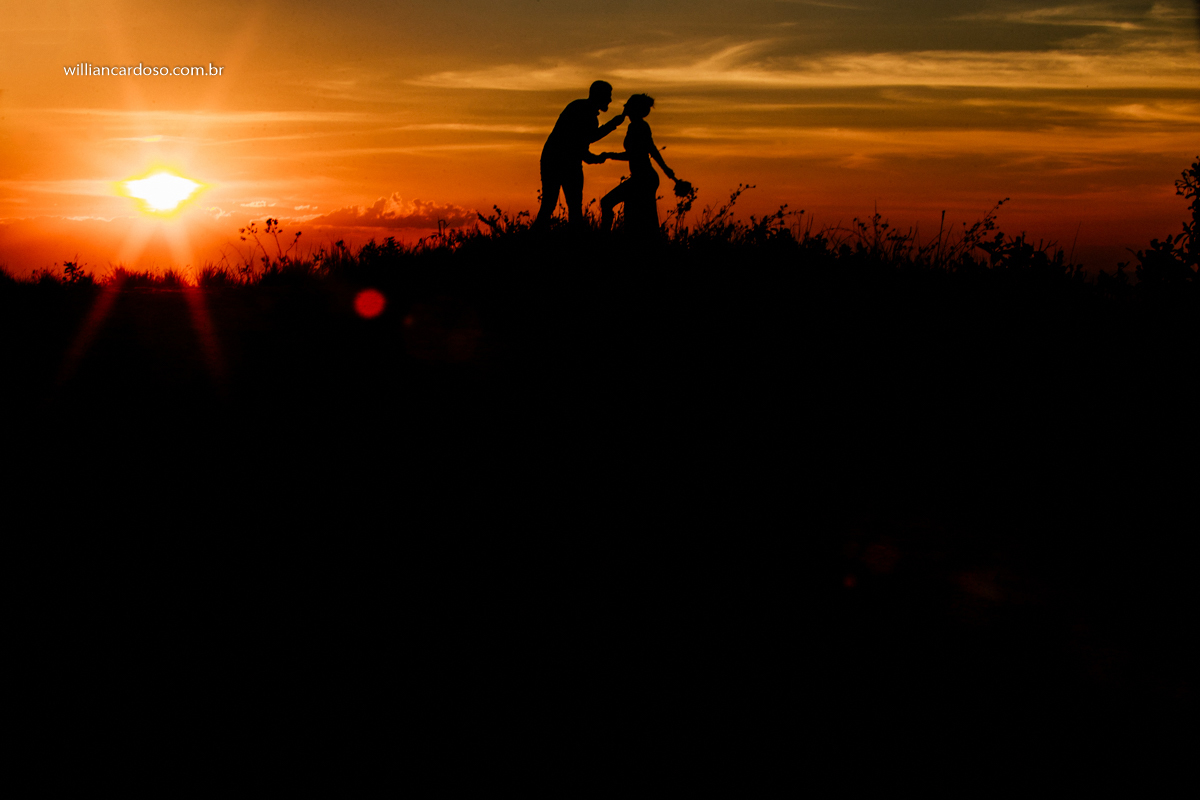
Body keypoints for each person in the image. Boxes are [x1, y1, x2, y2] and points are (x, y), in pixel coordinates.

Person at [533, 81, 626, 231]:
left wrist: (612, 125)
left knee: (562, 205)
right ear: (599, 96)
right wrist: (594, 157)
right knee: (557, 205)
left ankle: (546, 236)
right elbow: (578, 141)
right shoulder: (581, 110)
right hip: (559, 160)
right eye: (608, 96)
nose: (610, 100)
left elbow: (584, 140)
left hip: (559, 159)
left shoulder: (581, 109)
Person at [598, 94, 677, 240]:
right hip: (644, 178)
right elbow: (651, 149)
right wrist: (666, 170)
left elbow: (635, 154)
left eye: (628, 107)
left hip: (642, 179)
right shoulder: (639, 126)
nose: (625, 109)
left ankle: (603, 240)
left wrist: (609, 155)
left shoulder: (638, 127)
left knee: (609, 204)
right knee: (637, 220)